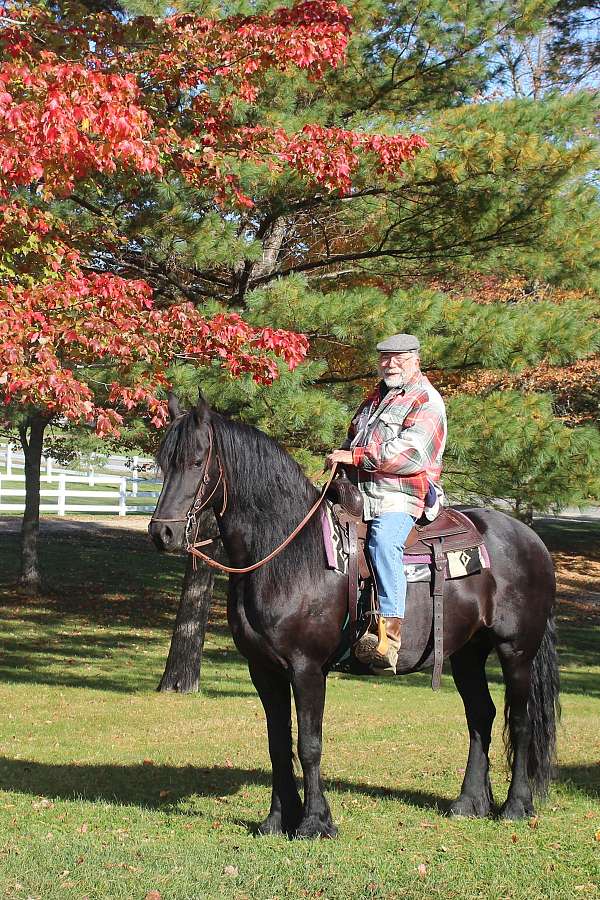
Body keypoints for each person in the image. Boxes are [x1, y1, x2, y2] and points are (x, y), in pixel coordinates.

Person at [326, 333, 447, 674]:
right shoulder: (374, 399)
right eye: (385, 358)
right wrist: (341, 459)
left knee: (383, 543)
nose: (390, 364)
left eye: (399, 358)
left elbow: (410, 455)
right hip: (358, 495)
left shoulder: (426, 401)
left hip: (400, 496)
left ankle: (388, 637)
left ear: (415, 360)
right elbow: (352, 439)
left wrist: (355, 456)